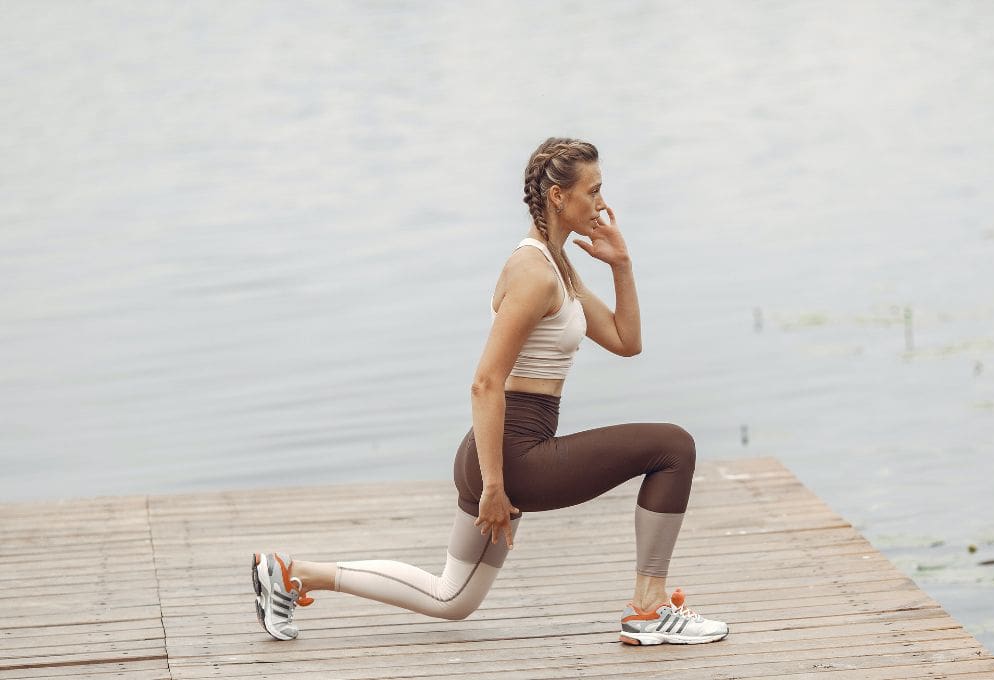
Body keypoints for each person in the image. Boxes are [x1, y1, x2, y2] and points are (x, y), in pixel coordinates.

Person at [251, 137, 729, 646]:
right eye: (593, 191)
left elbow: (625, 341)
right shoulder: (532, 273)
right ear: (558, 197)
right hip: (511, 454)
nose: (602, 204)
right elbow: (485, 381)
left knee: (451, 598)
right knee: (672, 447)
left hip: (498, 452)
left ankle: (292, 572)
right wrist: (496, 487)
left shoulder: (558, 268)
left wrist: (622, 265)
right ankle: (650, 608)